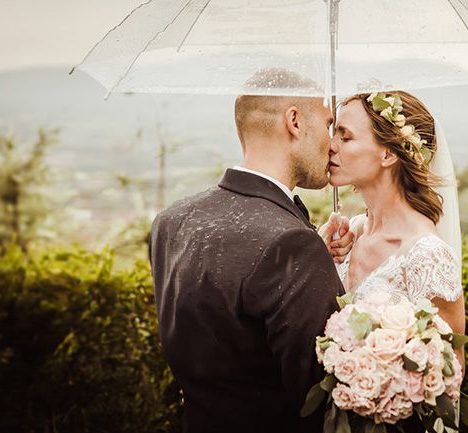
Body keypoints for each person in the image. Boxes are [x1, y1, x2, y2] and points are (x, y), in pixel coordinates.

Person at [147, 68, 356, 433]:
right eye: (327, 124)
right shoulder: (292, 245)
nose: (332, 143)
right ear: (294, 121)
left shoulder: (171, 222)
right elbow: (319, 397)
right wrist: (308, 260)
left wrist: (312, 262)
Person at [325, 90, 467, 369]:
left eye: (346, 136)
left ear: (388, 153)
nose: (330, 145)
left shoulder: (427, 257)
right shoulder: (348, 235)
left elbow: (451, 370)